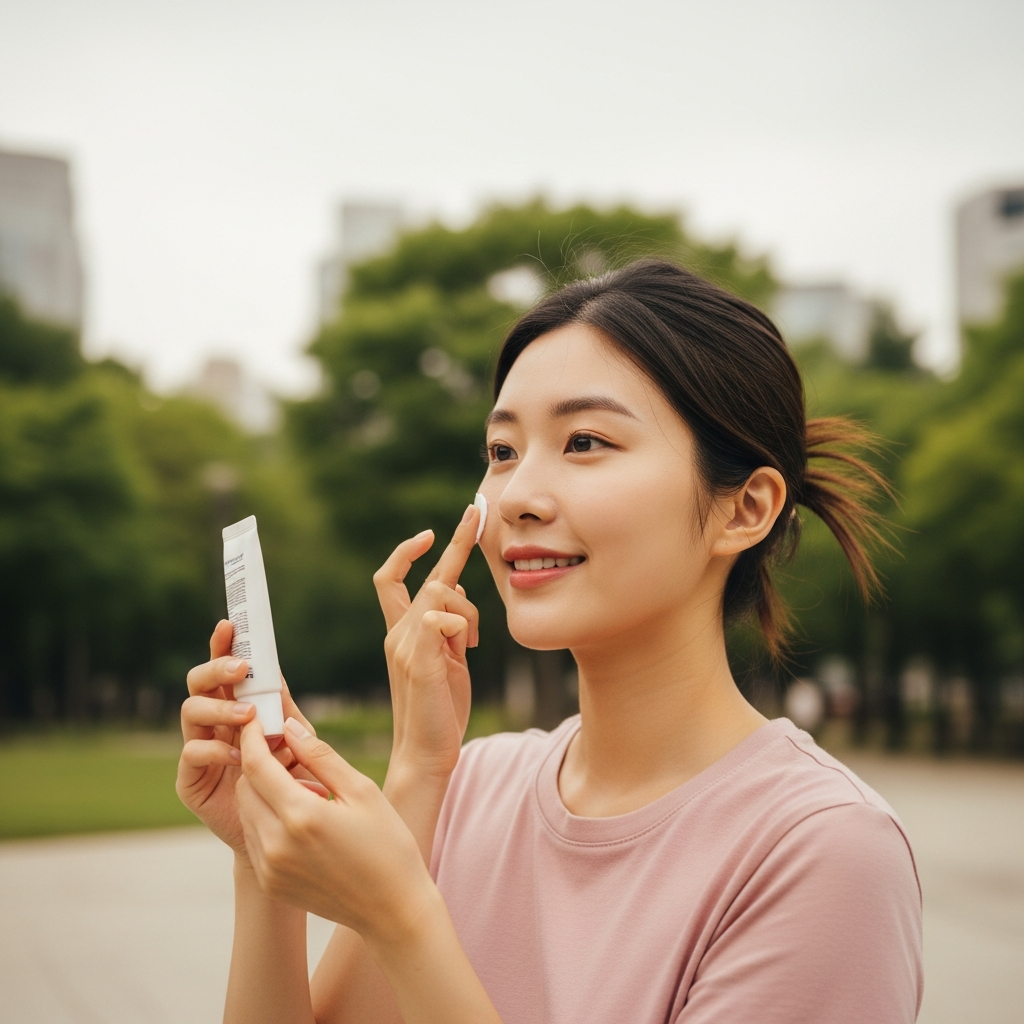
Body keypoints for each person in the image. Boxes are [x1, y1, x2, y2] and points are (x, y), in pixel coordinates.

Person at [177, 259, 923, 1024]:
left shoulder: (823, 851)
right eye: (503, 452)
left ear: (745, 509)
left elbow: (406, 926)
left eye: (586, 441)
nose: (519, 499)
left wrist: (404, 917)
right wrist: (268, 854)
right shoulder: (471, 784)